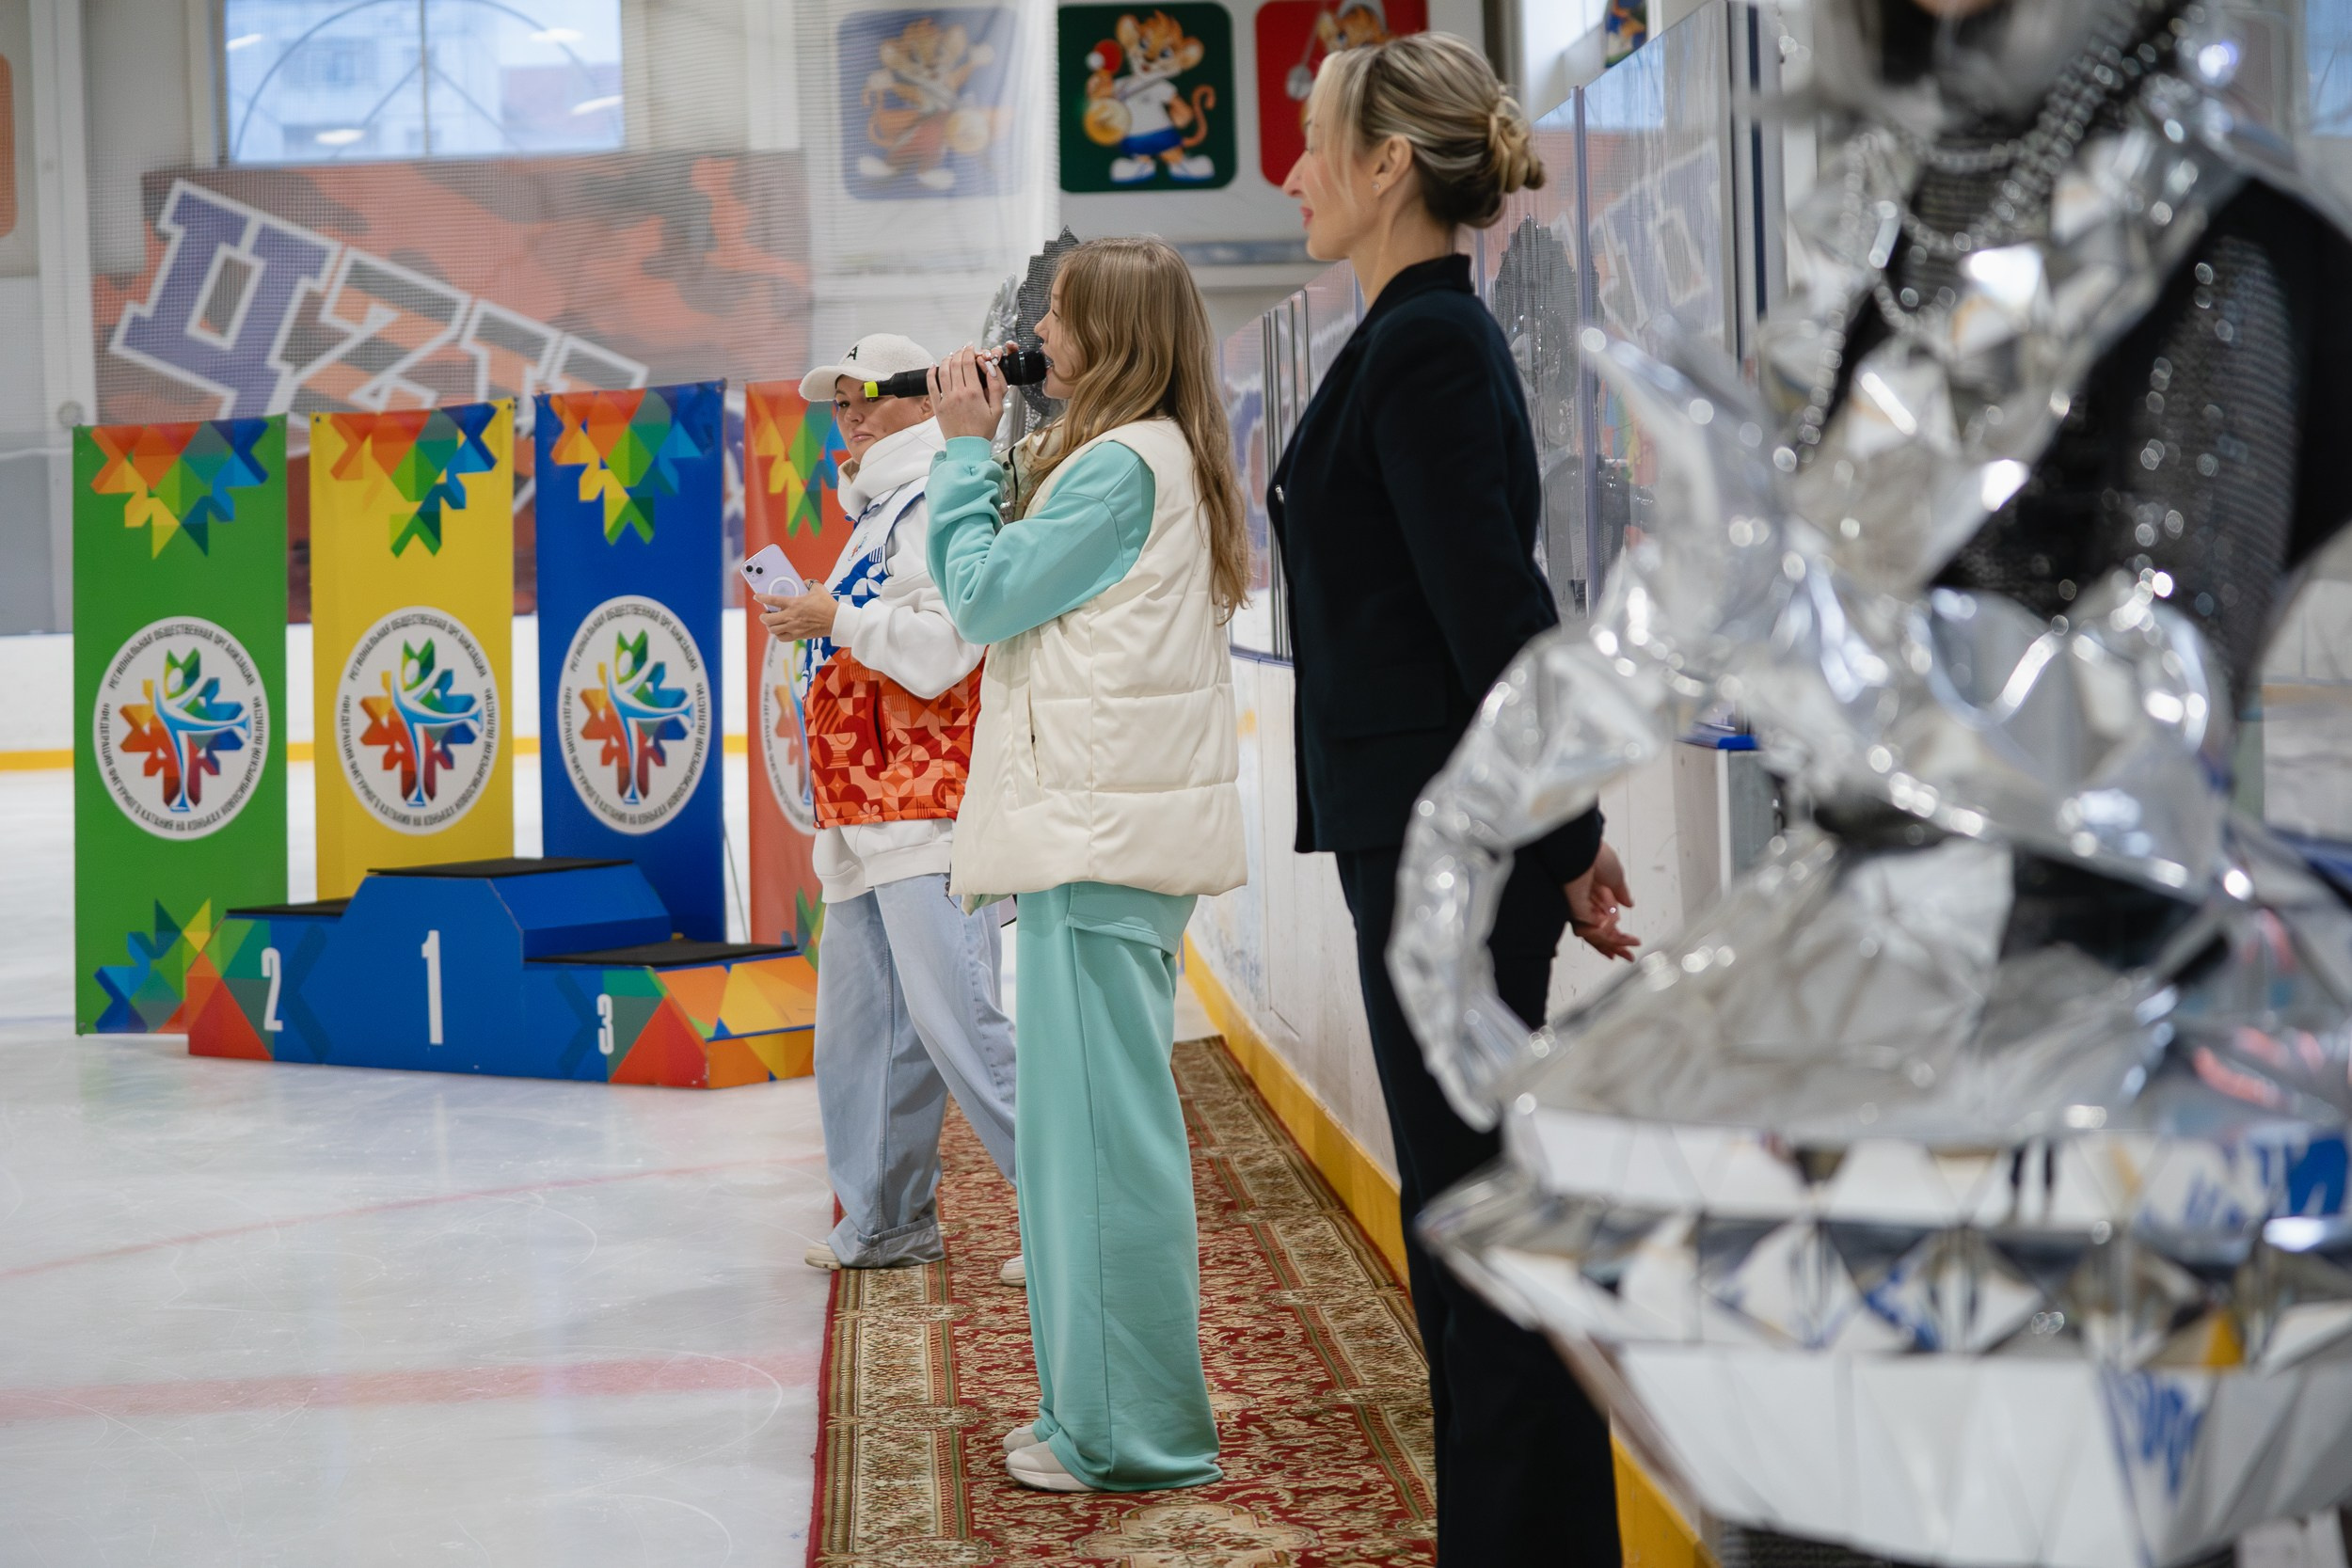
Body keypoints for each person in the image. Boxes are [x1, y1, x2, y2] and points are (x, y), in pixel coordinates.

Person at [1270, 31, 1635, 1567]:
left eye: (1315, 143)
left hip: (1451, 859)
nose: (1292, 172)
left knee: (1478, 1246)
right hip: (1429, 843)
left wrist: (1567, 840)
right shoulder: (1416, 333)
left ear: (1386, 168)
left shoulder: (1424, 346)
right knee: (1475, 1238)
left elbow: (1496, 619)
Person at [922, 235, 1249, 1495]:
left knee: (1105, 1150)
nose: (1038, 334)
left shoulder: (1122, 469)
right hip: (1089, 839)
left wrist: (957, 454)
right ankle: (1091, 1412)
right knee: (1076, 1146)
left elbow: (986, 596)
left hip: (1101, 846)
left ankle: (1138, 1434)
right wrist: (992, 444)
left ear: (1111, 336)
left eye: (1058, 317)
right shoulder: (1113, 458)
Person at [755, 332, 1022, 1278]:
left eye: (868, 394)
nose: (851, 413)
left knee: (962, 1028)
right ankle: (884, 1218)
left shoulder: (940, 498)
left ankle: (1069, 1213)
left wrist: (839, 619)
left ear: (923, 401)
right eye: (838, 401)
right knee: (869, 1035)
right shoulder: (879, 512)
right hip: (865, 813)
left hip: (926, 808)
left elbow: (948, 643)